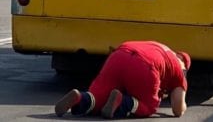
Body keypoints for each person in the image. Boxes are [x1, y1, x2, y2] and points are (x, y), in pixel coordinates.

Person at [55, 41, 191, 118]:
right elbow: (177, 110)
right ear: (184, 66)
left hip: (120, 54)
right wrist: (182, 103)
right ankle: (124, 102)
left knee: (98, 95)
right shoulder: (179, 70)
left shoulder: (160, 47)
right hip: (145, 65)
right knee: (148, 106)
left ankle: (80, 98)